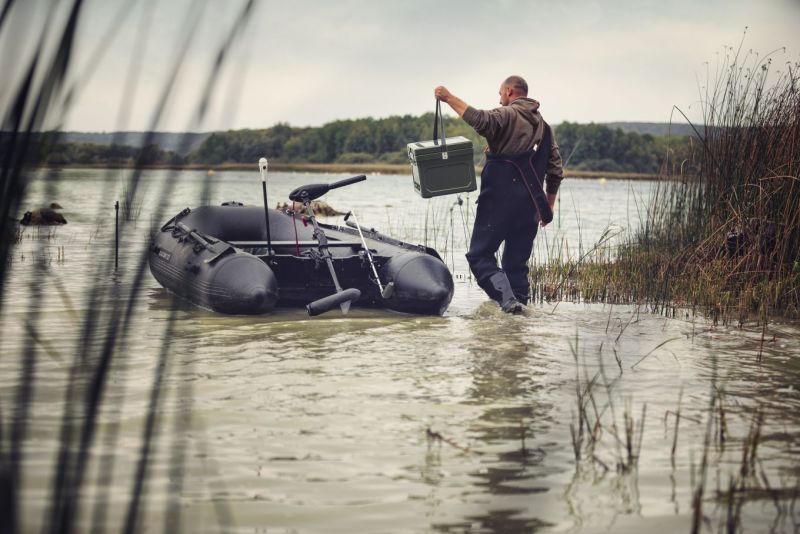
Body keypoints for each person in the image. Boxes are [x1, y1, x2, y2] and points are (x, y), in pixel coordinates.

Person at [435, 75, 564, 313]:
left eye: (500, 94)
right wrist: (549, 206)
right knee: (516, 265)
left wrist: (448, 97)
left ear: (509, 92)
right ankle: (520, 317)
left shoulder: (506, 114)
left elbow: (479, 119)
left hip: (499, 202)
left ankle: (507, 301)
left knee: (479, 256)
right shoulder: (545, 129)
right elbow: (555, 170)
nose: (500, 99)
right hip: (530, 208)